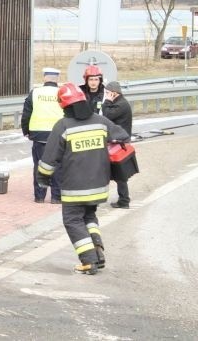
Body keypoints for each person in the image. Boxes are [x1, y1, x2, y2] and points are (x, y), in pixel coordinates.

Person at [37, 82, 130, 275]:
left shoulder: (63, 126)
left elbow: (48, 159)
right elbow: (122, 135)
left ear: (63, 105)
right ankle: (97, 251)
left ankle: (88, 260)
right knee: (88, 216)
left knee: (72, 220)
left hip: (75, 187)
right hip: (99, 185)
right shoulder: (100, 121)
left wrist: (43, 178)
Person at [21, 67, 64, 204]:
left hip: (39, 135)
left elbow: (26, 114)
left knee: (40, 166)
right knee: (57, 166)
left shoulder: (35, 93)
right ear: (57, 79)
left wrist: (26, 131)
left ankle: (39, 196)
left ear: (44, 78)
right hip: (58, 136)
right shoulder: (62, 93)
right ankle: (56, 197)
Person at [102, 81, 138, 209]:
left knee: (120, 173)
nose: (105, 95)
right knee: (117, 173)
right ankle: (123, 200)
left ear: (113, 93)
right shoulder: (119, 103)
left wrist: (107, 101)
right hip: (117, 141)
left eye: (107, 93)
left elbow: (106, 115)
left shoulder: (121, 105)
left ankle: (124, 200)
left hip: (119, 143)